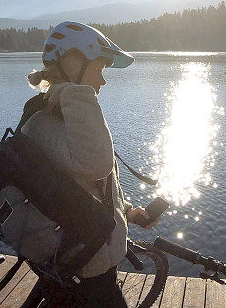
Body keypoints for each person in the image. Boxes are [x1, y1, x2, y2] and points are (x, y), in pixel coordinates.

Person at [22, 21, 161, 307]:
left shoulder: (62, 116)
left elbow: (89, 185)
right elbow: (97, 164)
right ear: (73, 62)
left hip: (84, 264)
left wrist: (128, 212)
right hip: (84, 275)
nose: (103, 81)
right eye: (99, 69)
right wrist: (72, 90)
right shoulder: (44, 123)